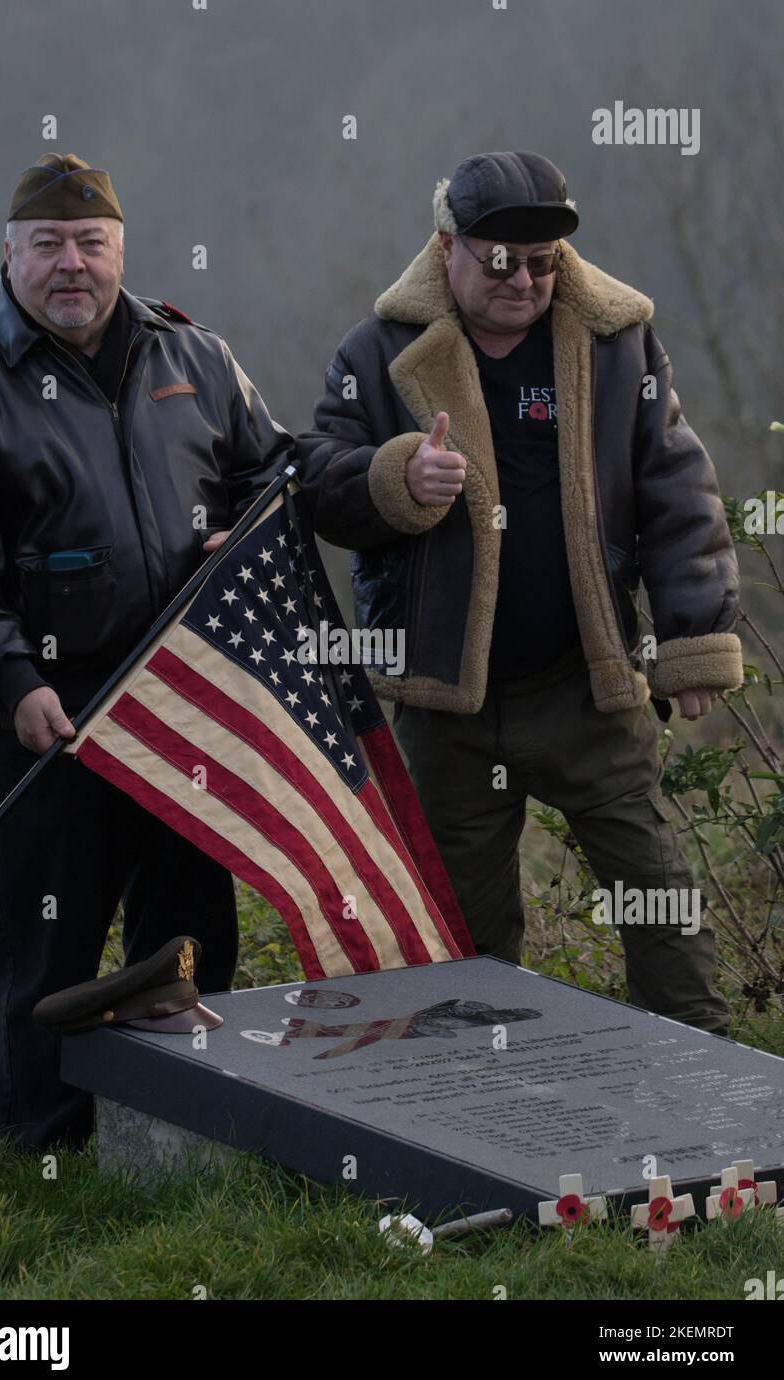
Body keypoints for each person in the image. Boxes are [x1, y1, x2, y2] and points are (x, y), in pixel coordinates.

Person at [296, 150, 743, 1034]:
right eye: (502, 259)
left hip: (586, 684)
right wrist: (395, 478)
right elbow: (316, 478)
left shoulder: (616, 342)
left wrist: (691, 638)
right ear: (447, 247)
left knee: (657, 895)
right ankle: (476, 1115)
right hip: (447, 699)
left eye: (543, 262)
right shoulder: (378, 350)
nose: (525, 279)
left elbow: (678, 490)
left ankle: (710, 1081)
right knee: (461, 930)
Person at [0, 152, 294, 1149]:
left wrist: (244, 531)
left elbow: (273, 471)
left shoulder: (195, 357)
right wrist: (12, 677)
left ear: (120, 249)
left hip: (185, 704)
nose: (71, 263)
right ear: (10, 256)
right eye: (48, 245)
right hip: (53, 714)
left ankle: (173, 1141)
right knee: (50, 950)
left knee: (185, 940)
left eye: (90, 243)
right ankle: (44, 1157)